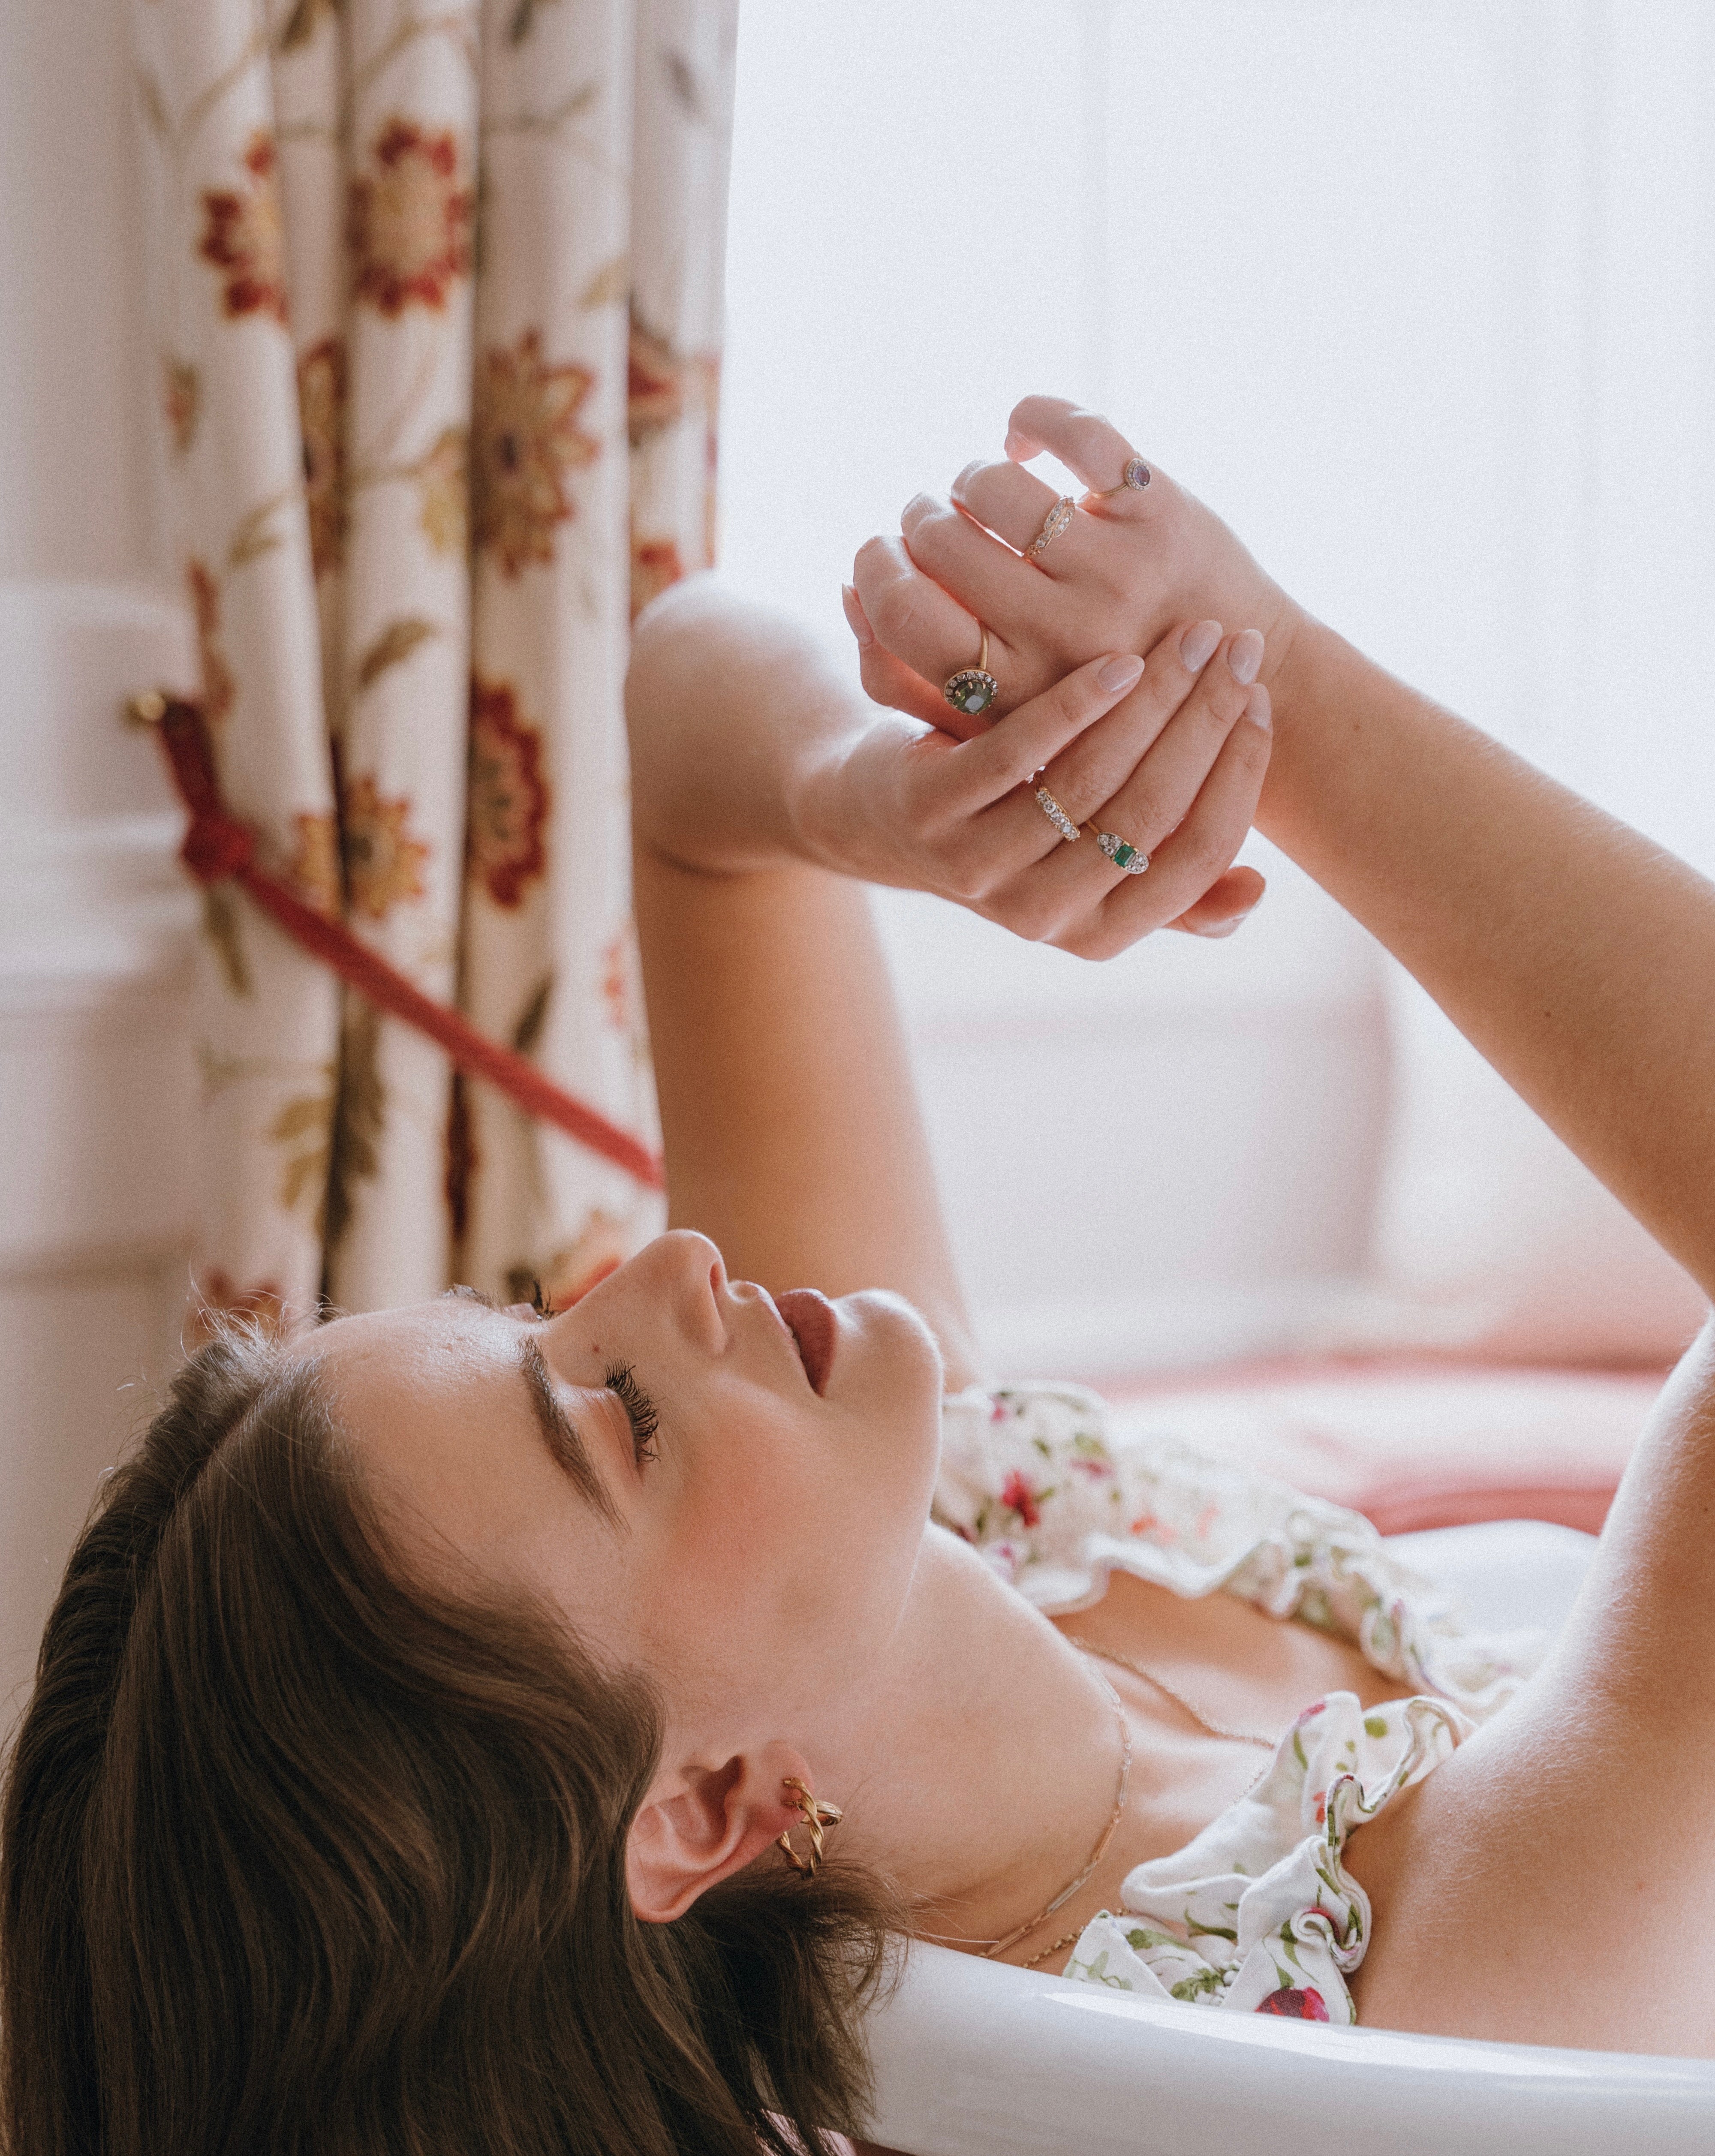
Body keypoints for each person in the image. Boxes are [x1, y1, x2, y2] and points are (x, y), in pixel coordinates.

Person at [3, 398, 1712, 2156]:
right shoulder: (1443, 1987)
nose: (661, 1262)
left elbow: (683, 718)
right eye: (613, 1413)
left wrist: (872, 804)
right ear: (710, 1802)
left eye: (531, 1310)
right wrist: (1274, 697)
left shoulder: (941, 1540)